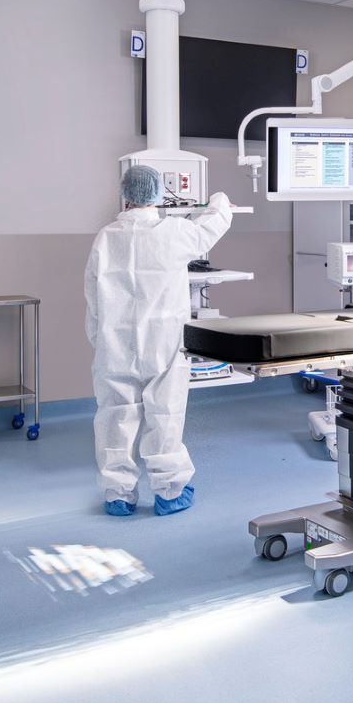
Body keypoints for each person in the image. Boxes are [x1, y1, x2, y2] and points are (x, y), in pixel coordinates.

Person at [85, 165, 233, 517]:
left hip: (115, 343)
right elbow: (215, 223)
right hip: (164, 342)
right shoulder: (176, 232)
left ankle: (118, 494)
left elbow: (92, 297)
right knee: (165, 414)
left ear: (125, 196)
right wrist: (218, 200)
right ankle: (170, 491)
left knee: (115, 417)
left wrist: (99, 340)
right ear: (159, 196)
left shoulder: (106, 237)